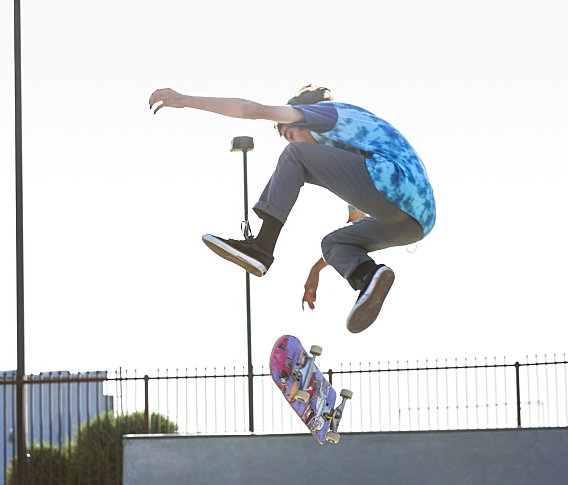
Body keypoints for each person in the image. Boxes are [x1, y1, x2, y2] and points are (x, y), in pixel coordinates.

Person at [148, 85, 435, 333]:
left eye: (290, 134)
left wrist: (185, 100)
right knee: (334, 243)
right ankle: (368, 276)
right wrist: (317, 269)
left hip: (393, 182)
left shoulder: (324, 114)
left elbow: (251, 110)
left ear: (302, 121)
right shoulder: (352, 145)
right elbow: (354, 222)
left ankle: (261, 247)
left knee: (295, 157)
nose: (292, 139)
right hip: (416, 221)